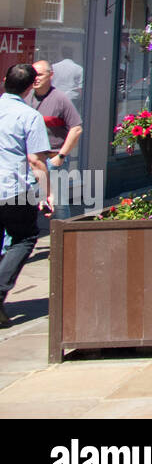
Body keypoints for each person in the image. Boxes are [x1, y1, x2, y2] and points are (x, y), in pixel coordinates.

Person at [0, 64, 53, 326]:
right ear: (31, 86)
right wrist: (46, 194)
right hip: (13, 190)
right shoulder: (29, 116)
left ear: (4, 81)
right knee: (25, 237)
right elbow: (36, 161)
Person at [26, 61, 83, 171]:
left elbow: (76, 129)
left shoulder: (60, 99)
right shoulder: (26, 96)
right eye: (32, 75)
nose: (35, 78)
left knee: (53, 189)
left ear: (51, 75)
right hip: (30, 160)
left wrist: (61, 156)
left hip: (51, 161)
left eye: (39, 75)